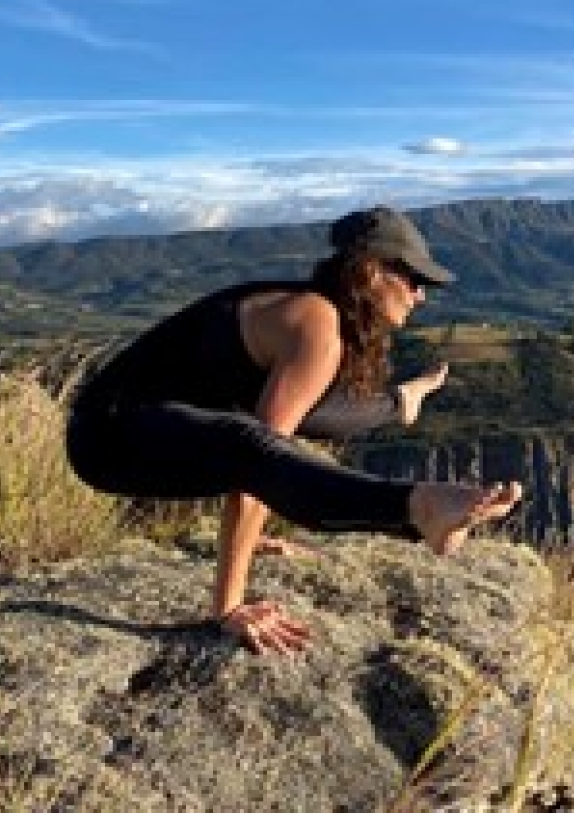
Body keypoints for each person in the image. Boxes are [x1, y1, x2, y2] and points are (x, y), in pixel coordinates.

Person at [65, 206, 522, 655]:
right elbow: (257, 464)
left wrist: (251, 533)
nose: (421, 295)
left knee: (305, 413)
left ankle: (402, 402)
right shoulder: (315, 325)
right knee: (260, 442)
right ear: (370, 271)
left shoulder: (315, 308)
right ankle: (415, 506)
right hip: (106, 438)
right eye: (414, 279)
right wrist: (229, 607)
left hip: (163, 424)